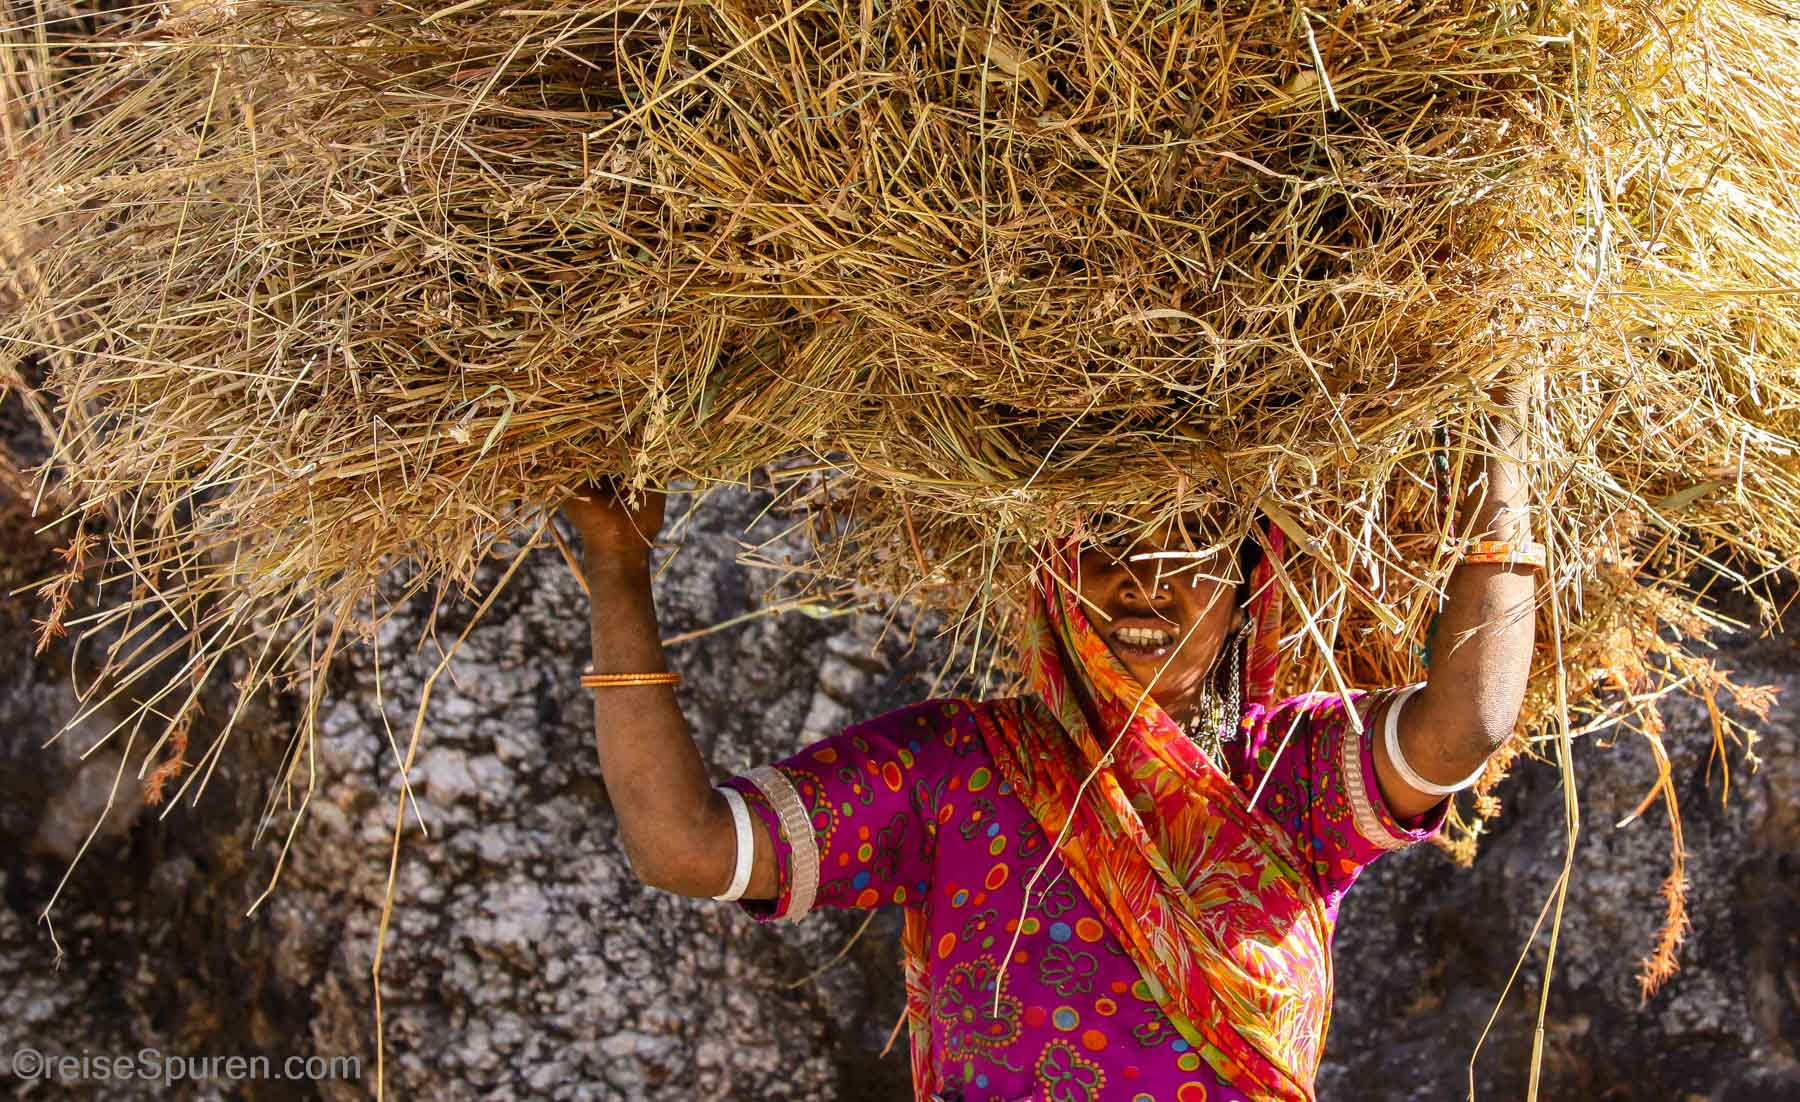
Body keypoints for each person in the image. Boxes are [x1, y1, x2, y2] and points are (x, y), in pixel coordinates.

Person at [562, 397, 1536, 1102]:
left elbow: (1469, 722)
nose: (1142, 585)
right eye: (1106, 544)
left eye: (1189, 545)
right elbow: (683, 845)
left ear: (1249, 580)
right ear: (1054, 573)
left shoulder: (1293, 776)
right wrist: (617, 571)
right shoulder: (955, 771)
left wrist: (1506, 418)